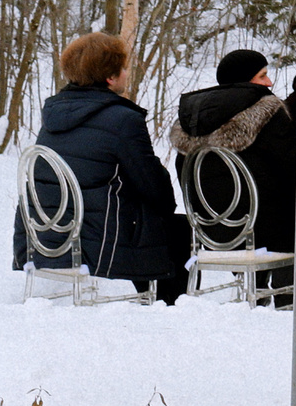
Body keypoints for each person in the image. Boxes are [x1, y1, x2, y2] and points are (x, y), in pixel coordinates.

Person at [14, 31, 193, 303]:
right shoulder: (123, 119)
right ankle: (170, 306)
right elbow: (154, 188)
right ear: (110, 77)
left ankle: (155, 299)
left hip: (48, 238)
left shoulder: (53, 115)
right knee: (177, 228)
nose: (126, 73)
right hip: (97, 241)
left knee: (147, 222)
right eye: (123, 69)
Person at [168, 46, 296, 296]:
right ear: (245, 79)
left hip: (210, 230)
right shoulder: (268, 111)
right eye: (262, 75)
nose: (269, 82)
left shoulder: (190, 120)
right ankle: (286, 299)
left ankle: (255, 289)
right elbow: (293, 170)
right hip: (263, 232)